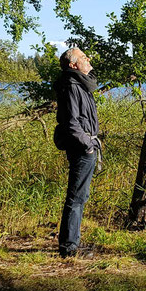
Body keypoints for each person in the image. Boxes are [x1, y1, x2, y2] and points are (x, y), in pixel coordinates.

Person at [53, 47, 100, 258]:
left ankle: (71, 244)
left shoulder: (81, 84)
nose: (88, 59)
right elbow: (71, 123)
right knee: (76, 198)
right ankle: (69, 248)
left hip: (86, 146)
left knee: (81, 195)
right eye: (83, 57)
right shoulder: (71, 86)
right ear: (73, 65)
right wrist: (87, 145)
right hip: (81, 148)